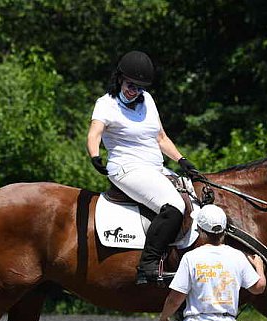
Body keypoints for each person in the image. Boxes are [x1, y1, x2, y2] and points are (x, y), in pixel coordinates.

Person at [86, 50, 200, 285]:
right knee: (174, 206)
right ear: (119, 78)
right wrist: (95, 155)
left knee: (196, 196)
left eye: (139, 87)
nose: (134, 91)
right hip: (126, 168)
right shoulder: (106, 104)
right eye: (130, 85)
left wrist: (182, 160)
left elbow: (160, 138)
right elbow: (94, 133)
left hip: (154, 168)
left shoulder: (147, 100)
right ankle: (147, 264)